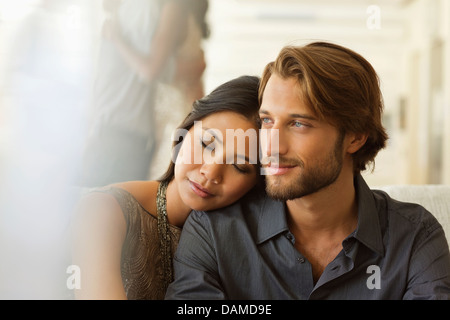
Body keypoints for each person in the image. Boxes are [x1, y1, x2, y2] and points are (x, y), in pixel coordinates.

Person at [165, 42, 450, 300]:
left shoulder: (414, 237)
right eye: (266, 121)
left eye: (299, 124)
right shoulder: (214, 231)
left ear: (355, 137)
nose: (271, 147)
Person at [71, 75, 263, 299]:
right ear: (185, 132)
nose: (210, 172)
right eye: (206, 144)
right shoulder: (104, 211)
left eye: (239, 166)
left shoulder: (243, 241)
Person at [77, 0, 189, 187]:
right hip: (108, 126)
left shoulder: (148, 9)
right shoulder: (128, 11)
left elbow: (151, 70)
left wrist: (116, 39)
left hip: (124, 130)